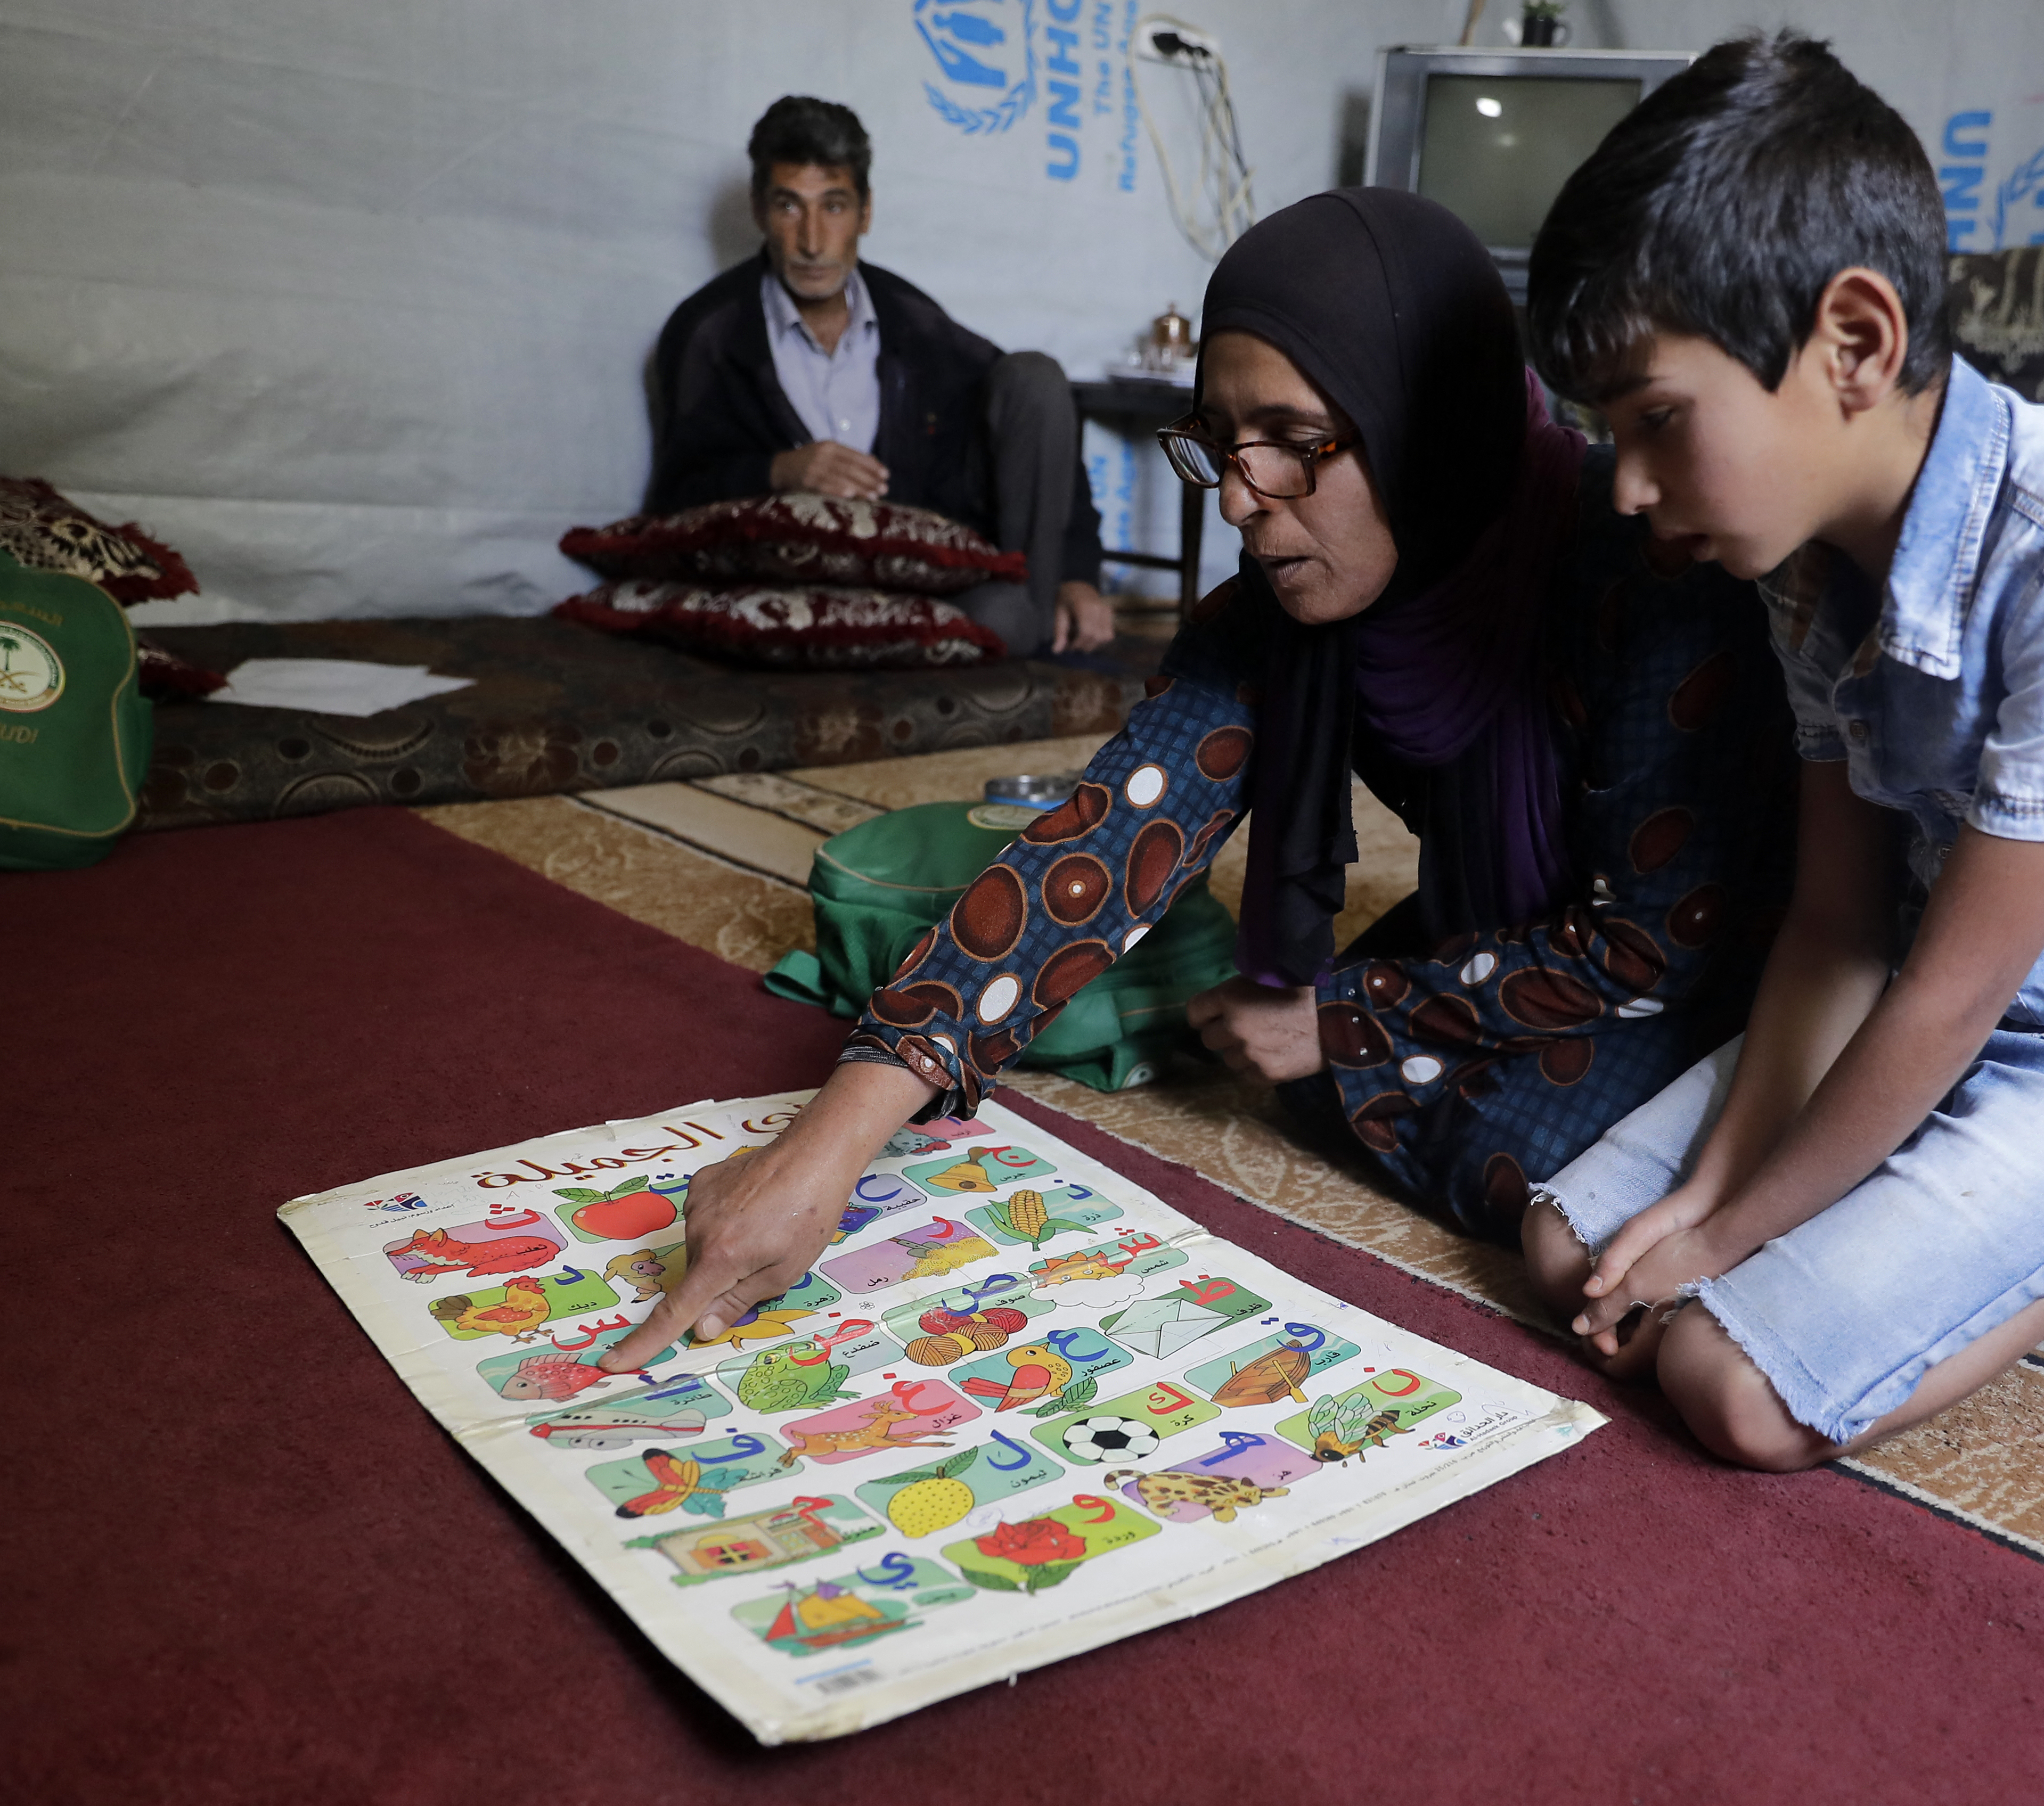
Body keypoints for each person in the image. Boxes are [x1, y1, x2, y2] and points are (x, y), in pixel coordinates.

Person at [605, 188, 1795, 1374]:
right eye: (1221, 443)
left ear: (1424, 422)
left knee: (1491, 1147)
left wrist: (1347, 1014)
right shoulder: (1289, 606)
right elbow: (1107, 838)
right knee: (1308, 1066)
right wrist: (824, 1151)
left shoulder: (1650, 569)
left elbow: (1655, 949)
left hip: (1719, 964)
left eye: (1293, 440)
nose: (1237, 496)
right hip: (1513, 933)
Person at [1514, 34, 2044, 1471]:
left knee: (1729, 1382)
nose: (1626, 485)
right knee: (1569, 1258)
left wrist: (1732, 1240)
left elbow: (1948, 996)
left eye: (1658, 421)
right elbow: (1841, 925)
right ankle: (1970, 1219)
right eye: (1609, 434)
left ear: (1853, 344)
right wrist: (1715, 1195)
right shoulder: (1803, 573)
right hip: (1962, 982)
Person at [646, 95, 1116, 658]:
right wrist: (778, 470)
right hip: (791, 592)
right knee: (763, 631)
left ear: (866, 213)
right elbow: (672, 503)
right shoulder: (708, 332)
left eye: (835, 206)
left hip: (922, 584)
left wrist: (1077, 570)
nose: (813, 241)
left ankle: (1033, 636)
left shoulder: (917, 322)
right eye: (790, 206)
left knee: (1035, 378)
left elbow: (1044, 435)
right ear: (758, 211)